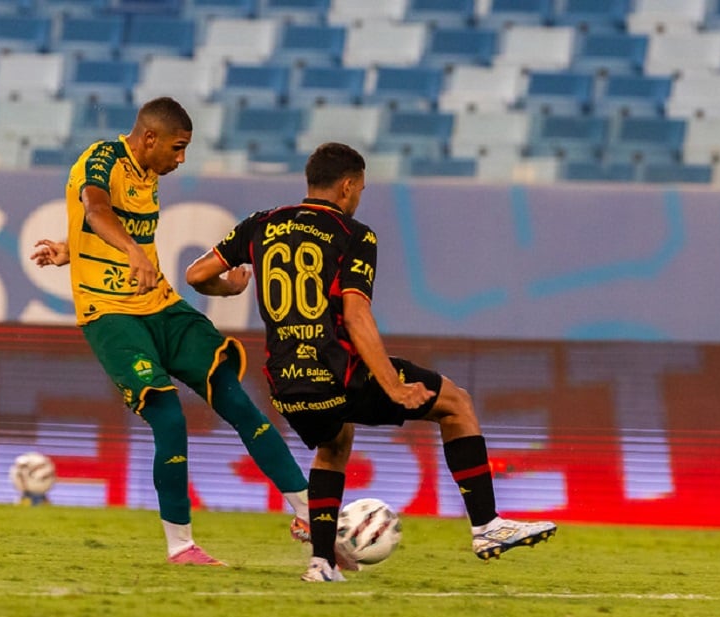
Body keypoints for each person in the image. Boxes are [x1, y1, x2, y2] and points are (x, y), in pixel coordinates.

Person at [186, 142, 557, 582]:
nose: (359, 196)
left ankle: (322, 564)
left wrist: (229, 289)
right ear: (347, 186)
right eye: (360, 188)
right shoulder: (354, 234)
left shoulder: (260, 224)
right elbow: (356, 314)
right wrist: (393, 385)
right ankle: (487, 526)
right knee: (456, 404)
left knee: (334, 444)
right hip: (336, 372)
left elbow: (196, 274)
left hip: (285, 381)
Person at [30, 97, 312, 566]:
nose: (180, 160)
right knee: (169, 418)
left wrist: (70, 249)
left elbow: (98, 228)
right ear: (149, 138)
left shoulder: (149, 176)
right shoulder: (101, 159)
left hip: (159, 305)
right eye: (177, 148)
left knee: (235, 398)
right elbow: (96, 211)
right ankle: (181, 545)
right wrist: (134, 254)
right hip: (111, 315)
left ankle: (308, 514)